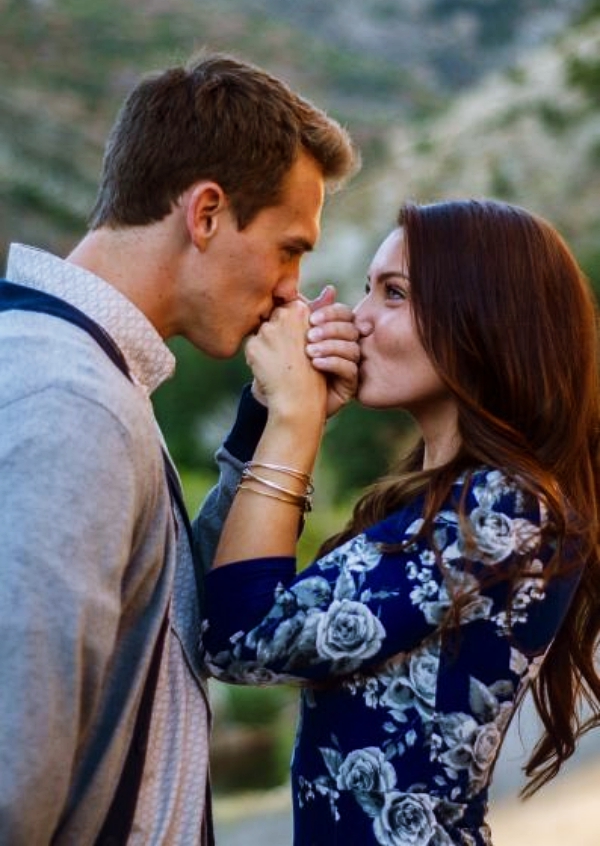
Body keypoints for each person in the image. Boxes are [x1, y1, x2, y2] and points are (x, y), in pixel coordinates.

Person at [0, 52, 361, 844]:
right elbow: (13, 778)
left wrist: (276, 418)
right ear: (204, 214)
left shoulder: (89, 374)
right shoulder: (71, 401)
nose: (293, 290)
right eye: (289, 248)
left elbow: (168, 624)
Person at [201, 198, 600, 845]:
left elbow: (242, 639)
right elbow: (222, 605)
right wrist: (266, 412)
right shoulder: (435, 505)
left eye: (393, 294)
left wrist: (296, 423)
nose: (357, 321)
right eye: (366, 290)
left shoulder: (507, 511)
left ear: (483, 318)